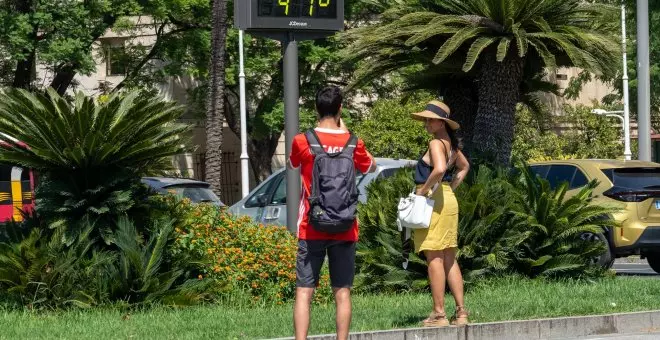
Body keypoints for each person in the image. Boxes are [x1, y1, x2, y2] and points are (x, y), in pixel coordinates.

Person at [289, 86, 376, 340]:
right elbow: (370, 166)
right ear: (340, 109)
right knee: (342, 292)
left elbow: (293, 163)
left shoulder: (302, 141)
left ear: (316, 109)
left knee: (304, 292)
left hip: (311, 225)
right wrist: (345, 132)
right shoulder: (353, 141)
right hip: (346, 226)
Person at [410, 100, 470, 327]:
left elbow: (440, 169)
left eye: (430, 119)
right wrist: (450, 187)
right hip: (447, 200)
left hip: (433, 202)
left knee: (433, 256)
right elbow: (464, 167)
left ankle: (438, 313)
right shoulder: (452, 147)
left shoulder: (436, 143)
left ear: (441, 122)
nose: (426, 123)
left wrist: (423, 191)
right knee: (449, 257)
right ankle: (461, 312)